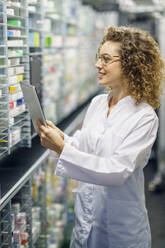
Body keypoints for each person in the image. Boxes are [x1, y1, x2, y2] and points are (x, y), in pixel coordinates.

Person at [37, 26, 165, 248]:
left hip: (120, 231)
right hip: (86, 221)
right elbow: (85, 146)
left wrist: (62, 149)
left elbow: (117, 170)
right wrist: (62, 138)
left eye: (106, 59)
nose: (98, 65)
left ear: (131, 64)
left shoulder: (144, 117)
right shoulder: (98, 103)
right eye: (99, 57)